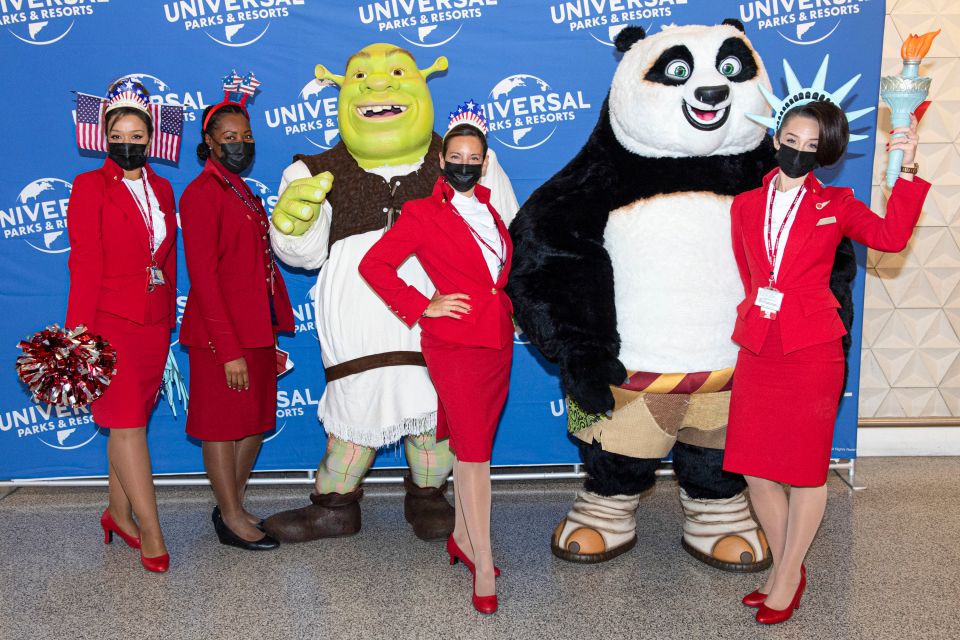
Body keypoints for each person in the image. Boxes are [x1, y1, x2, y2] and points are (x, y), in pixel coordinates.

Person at [262, 46, 518, 545]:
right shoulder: (311, 170)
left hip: (445, 323)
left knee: (436, 409)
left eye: (396, 76)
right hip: (357, 320)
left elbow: (504, 237)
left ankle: (428, 496)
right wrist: (295, 223)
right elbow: (303, 256)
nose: (379, 87)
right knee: (355, 412)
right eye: (363, 78)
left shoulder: (470, 159)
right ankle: (335, 506)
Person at [724, 101, 930, 624]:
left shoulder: (837, 203)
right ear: (776, 137)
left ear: (827, 153)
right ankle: (787, 565)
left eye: (811, 146)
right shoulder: (745, 204)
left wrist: (906, 169)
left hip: (812, 351)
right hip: (759, 346)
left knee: (806, 472)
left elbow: (891, 238)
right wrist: (759, 308)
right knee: (753, 467)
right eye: (790, 139)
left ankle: (788, 573)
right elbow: (750, 273)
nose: (797, 151)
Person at [359, 108, 513, 614]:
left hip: (494, 342)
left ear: (486, 162)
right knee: (473, 454)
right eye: (456, 157)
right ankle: (484, 561)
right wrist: (423, 304)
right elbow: (374, 264)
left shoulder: (491, 212)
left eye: (475, 158)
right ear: (441, 161)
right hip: (454, 345)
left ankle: (465, 541)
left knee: (477, 443)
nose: (465, 165)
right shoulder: (422, 214)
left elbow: (496, 276)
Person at [66, 79, 177, 573]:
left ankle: (117, 512)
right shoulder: (89, 186)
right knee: (129, 426)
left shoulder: (163, 186)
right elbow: (85, 264)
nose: (127, 141)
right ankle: (150, 531)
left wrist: (170, 318)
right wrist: (77, 337)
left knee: (125, 424)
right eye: (118, 133)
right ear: (104, 136)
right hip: (109, 324)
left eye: (137, 133)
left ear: (151, 137)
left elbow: (167, 260)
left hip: (154, 325)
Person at [179, 74, 294, 551]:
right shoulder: (202, 194)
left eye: (245, 137)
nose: (239, 144)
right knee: (222, 427)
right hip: (218, 336)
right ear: (208, 143)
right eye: (228, 138)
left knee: (253, 423)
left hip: (256, 329)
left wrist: (270, 328)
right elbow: (204, 281)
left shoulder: (243, 191)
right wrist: (229, 349)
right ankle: (229, 517)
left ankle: (233, 503)